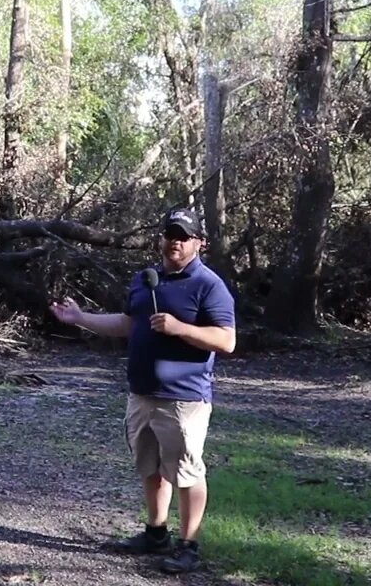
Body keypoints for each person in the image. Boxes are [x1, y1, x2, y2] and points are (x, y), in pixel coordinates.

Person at [50, 207, 236, 574]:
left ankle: (189, 546)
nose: (175, 242)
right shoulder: (145, 279)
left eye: (183, 236)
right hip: (142, 393)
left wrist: (181, 328)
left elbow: (226, 341)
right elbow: (127, 324)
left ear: (200, 242)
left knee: (186, 471)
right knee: (150, 468)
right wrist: (81, 318)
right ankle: (156, 533)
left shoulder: (209, 285)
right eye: (170, 234)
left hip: (184, 398)